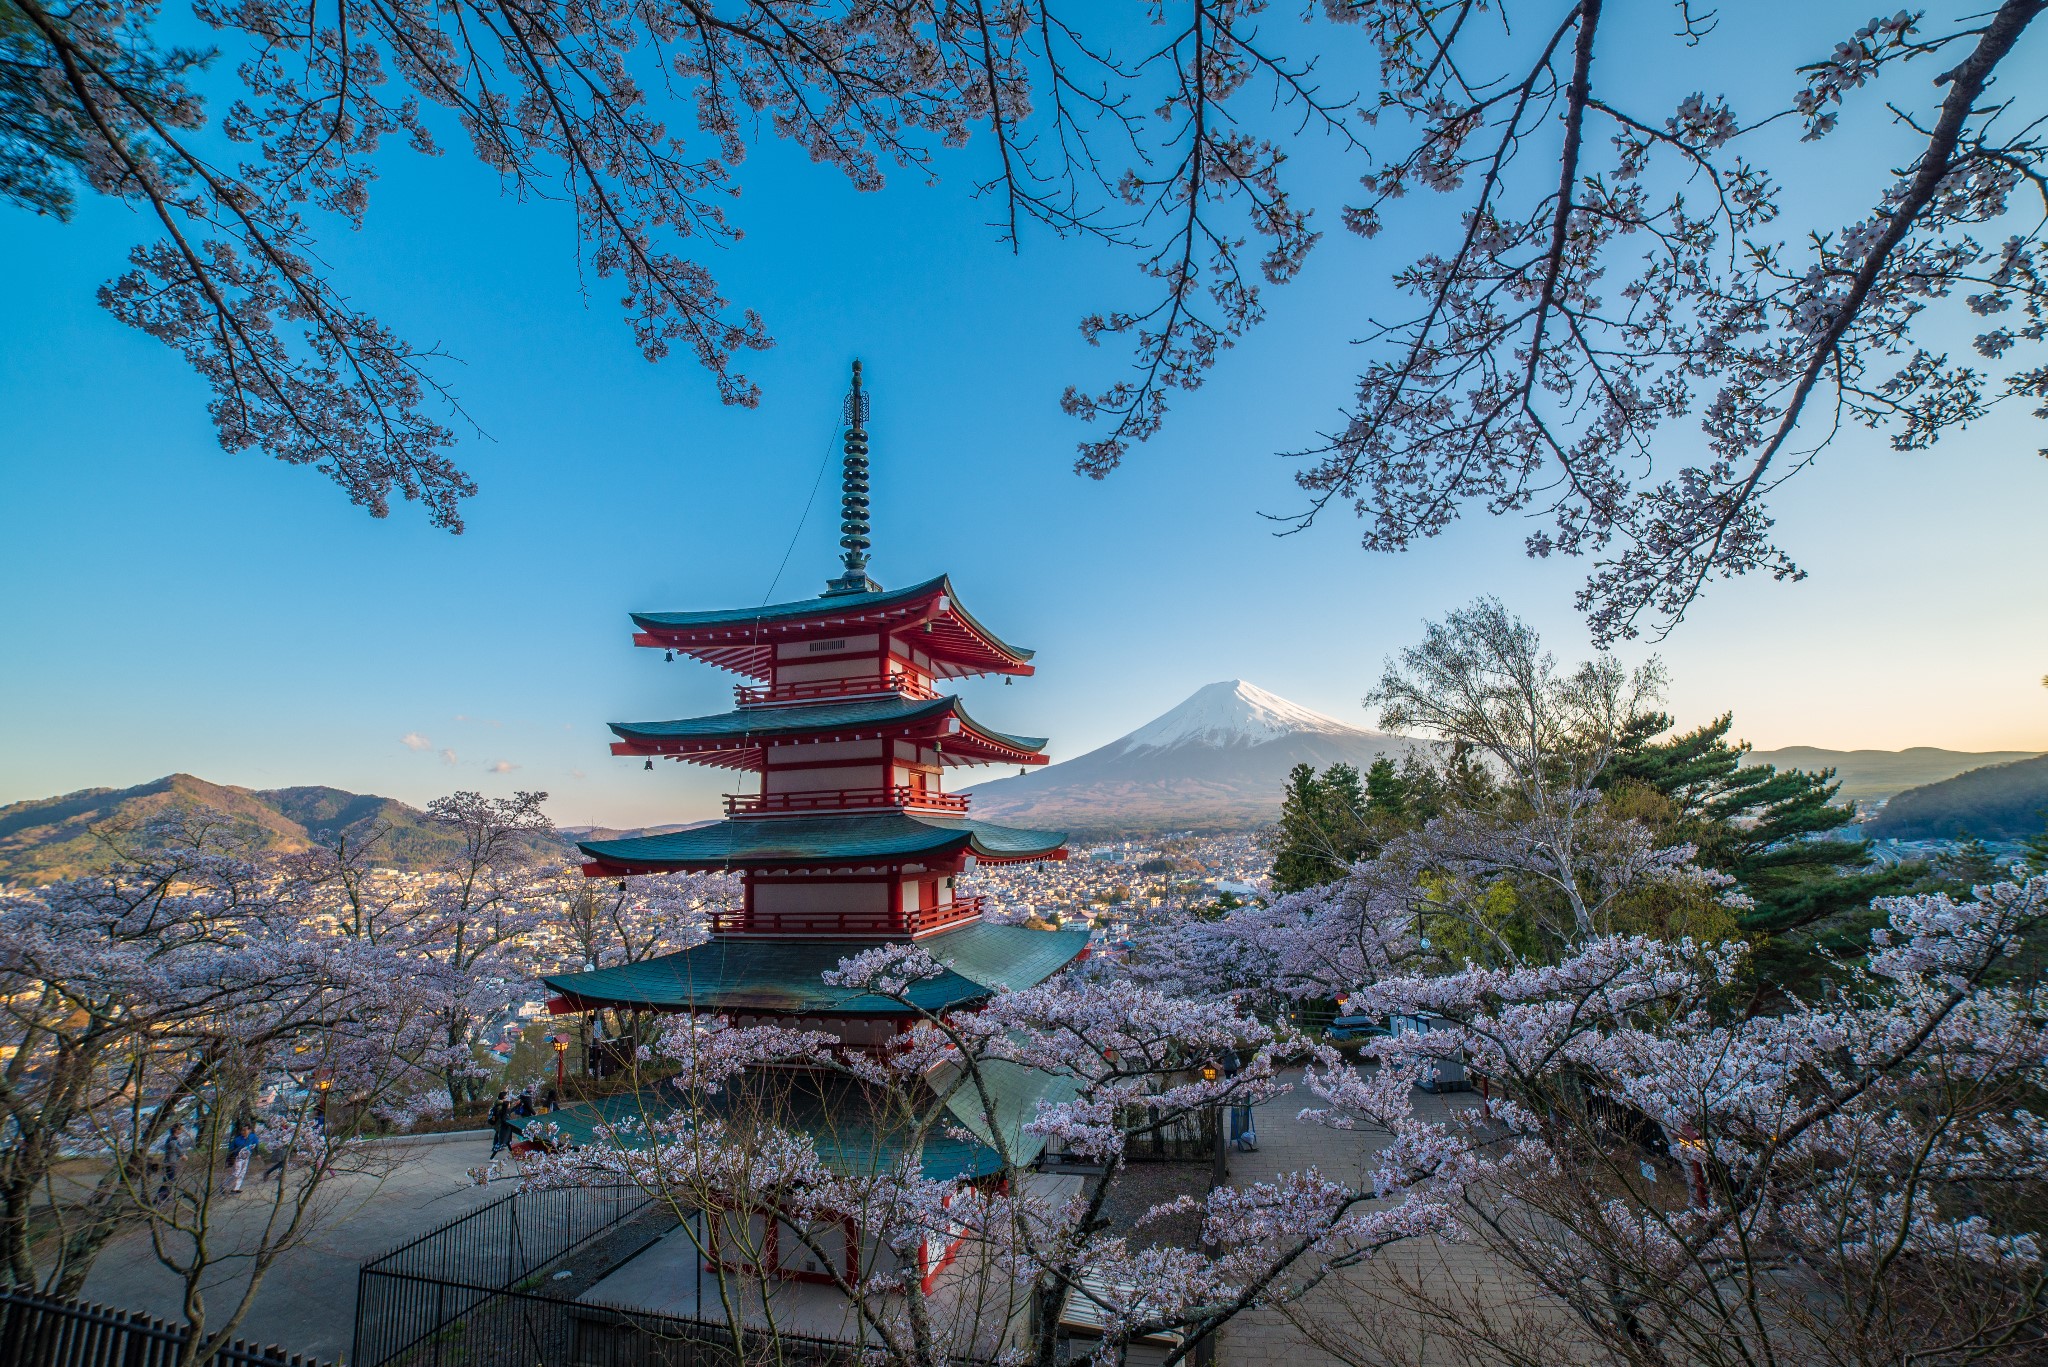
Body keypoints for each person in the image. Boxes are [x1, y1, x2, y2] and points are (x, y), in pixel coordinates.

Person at [155, 1123, 184, 1204]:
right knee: (169, 1180)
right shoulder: (172, 1139)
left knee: (169, 1180)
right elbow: (174, 1147)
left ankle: (166, 1196)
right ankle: (159, 1197)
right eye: (181, 1129)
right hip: (171, 1163)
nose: (182, 1130)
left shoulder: (173, 1138)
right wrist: (182, 1155)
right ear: (176, 1130)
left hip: (171, 1162)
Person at [226, 1120, 255, 1193]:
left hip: (246, 1158)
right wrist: (230, 1158)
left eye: (245, 1130)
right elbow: (231, 1149)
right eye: (242, 1130)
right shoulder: (237, 1139)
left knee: (242, 1173)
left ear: (249, 1130)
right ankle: (225, 1186)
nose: (243, 1132)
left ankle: (236, 1188)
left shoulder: (251, 1138)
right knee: (236, 1173)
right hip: (238, 1158)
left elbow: (254, 1145)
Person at [487, 1091, 514, 1158]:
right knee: (500, 1138)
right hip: (500, 1124)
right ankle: (494, 1151)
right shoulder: (501, 1107)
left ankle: (512, 1153)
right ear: (503, 1097)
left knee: (503, 1139)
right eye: (506, 1096)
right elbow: (503, 1117)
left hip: (500, 1124)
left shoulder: (499, 1103)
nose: (507, 1098)